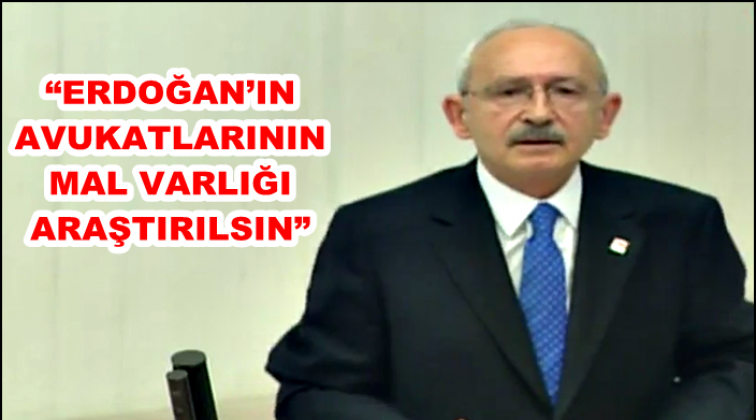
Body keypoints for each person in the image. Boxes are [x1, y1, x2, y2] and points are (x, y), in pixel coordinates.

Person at [265, 20, 754, 420]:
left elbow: (735, 362)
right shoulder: (379, 232)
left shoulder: (679, 223)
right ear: (459, 116)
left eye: (565, 90)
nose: (539, 113)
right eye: (510, 91)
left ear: (605, 115)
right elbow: (318, 390)